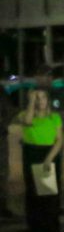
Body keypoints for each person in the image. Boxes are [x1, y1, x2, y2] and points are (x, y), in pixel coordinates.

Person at [18, 88, 64, 232]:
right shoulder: (25, 115)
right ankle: (35, 229)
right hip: (32, 153)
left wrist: (49, 158)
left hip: (47, 154)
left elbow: (59, 140)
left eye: (43, 97)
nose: (41, 101)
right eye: (37, 98)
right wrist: (31, 100)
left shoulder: (55, 118)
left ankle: (50, 229)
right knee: (33, 193)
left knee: (48, 194)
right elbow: (28, 122)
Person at [0, 81, 15, 219]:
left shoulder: (1, 91)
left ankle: (2, 206)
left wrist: (3, 125)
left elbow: (9, 111)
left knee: (2, 173)